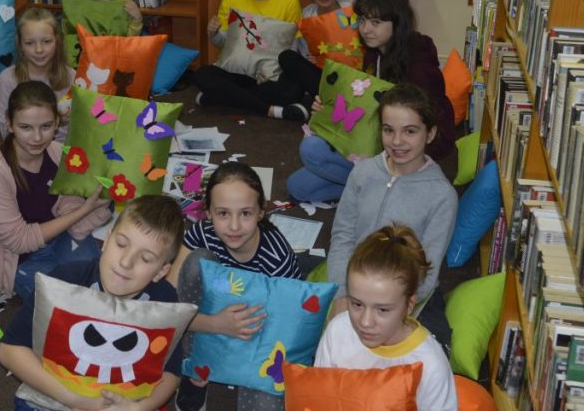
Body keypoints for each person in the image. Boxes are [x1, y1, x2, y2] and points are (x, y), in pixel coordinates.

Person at [0, 195, 186, 411]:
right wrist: (72, 399)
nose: (126, 262)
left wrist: (139, 408)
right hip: (51, 399)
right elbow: (9, 350)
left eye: (146, 258)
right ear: (107, 239)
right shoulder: (64, 281)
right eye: (121, 244)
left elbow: (171, 371)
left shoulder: (164, 302)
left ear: (161, 271)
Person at [287, 0, 456, 202]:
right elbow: (364, 105)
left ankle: (390, 188)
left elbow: (435, 131)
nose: (366, 29)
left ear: (398, 23)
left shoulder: (419, 68)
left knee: (312, 149)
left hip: (404, 154)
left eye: (376, 22)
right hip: (371, 144)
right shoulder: (374, 53)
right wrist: (329, 108)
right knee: (298, 187)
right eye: (362, 20)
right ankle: (380, 192)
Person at [325, 83, 457, 344]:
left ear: (430, 133)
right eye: (388, 130)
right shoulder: (363, 173)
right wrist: (343, 295)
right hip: (354, 284)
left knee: (431, 349)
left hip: (403, 297)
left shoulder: (442, 195)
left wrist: (385, 311)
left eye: (410, 131)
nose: (397, 141)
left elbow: (427, 272)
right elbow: (342, 237)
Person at [172, 162, 302, 411]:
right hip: (210, 320)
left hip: (259, 330)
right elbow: (171, 304)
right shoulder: (202, 234)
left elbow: (286, 325)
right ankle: (193, 362)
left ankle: (222, 362)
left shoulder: (277, 258)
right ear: (208, 213)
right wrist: (216, 324)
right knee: (196, 261)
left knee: (266, 401)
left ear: (261, 212)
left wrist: (243, 355)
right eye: (223, 213)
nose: (234, 226)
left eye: (245, 213)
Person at [0, 81, 111, 301]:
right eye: (26, 127)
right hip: (23, 257)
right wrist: (83, 210)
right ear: (9, 123)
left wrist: (99, 191)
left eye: (46, 126)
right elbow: (18, 241)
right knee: (62, 300)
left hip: (62, 234)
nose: (37, 138)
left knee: (96, 281)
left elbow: (69, 202)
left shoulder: (58, 152)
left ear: (57, 122)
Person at [314, 225, 457, 411]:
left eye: (382, 310)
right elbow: (319, 398)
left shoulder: (430, 364)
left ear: (409, 305)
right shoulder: (338, 331)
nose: (365, 322)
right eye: (357, 304)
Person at [193, 0, 305, 120]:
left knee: (294, 89)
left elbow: (292, 49)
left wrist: (272, 74)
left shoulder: (289, 1)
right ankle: (269, 110)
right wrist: (213, 34)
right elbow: (224, 42)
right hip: (235, 71)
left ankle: (217, 98)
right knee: (202, 75)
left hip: (267, 76)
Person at [272, 0, 354, 109]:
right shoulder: (306, 15)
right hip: (321, 76)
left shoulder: (352, 8)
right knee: (286, 57)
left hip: (349, 76)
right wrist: (311, 60)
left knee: (288, 92)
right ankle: (327, 100)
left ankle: (327, 102)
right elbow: (297, 52)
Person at [0, 7, 75, 141]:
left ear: (57, 41)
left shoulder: (71, 77)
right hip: (22, 149)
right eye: (29, 43)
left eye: (47, 41)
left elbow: (76, 130)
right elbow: (6, 133)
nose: (39, 50)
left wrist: (61, 122)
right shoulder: (8, 79)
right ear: (20, 45)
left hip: (62, 148)